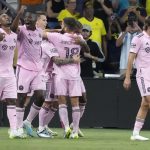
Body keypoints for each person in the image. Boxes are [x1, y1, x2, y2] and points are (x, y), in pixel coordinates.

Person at [45, 17, 86, 139]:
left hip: (60, 74)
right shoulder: (80, 38)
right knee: (75, 104)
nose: (61, 25)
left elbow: (40, 33)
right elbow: (86, 48)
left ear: (66, 26)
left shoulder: (57, 37)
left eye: (62, 24)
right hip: (74, 74)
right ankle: (75, 131)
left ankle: (67, 128)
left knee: (62, 103)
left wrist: (56, 30)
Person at [123, 16, 150, 141]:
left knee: (145, 104)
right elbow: (131, 58)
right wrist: (127, 77)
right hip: (144, 74)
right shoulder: (139, 38)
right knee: (149, 101)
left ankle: (135, 134)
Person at [0, 13, 18, 139]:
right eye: (4, 16)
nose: (7, 18)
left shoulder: (14, 35)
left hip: (10, 74)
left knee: (12, 101)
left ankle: (13, 130)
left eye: (8, 16)